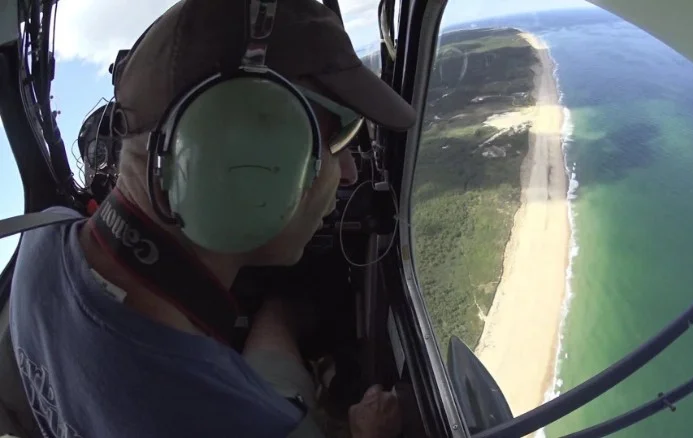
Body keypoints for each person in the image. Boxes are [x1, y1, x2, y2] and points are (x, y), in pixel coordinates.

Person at [9, 0, 416, 437]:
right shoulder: (245, 425)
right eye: (336, 137)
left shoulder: (40, 242)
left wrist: (284, 313)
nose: (350, 172)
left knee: (280, 315)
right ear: (228, 146)